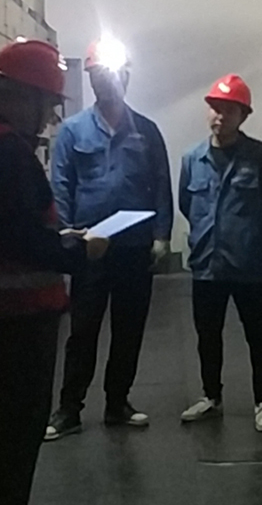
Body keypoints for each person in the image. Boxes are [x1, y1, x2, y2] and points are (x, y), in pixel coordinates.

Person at [0, 39, 109, 505]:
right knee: (21, 429)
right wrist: (81, 251)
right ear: (24, 96)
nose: (50, 118)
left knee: (7, 424)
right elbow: (22, 242)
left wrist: (61, 237)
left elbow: (9, 225)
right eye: (48, 104)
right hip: (19, 311)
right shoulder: (7, 152)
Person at [46, 37, 173, 439]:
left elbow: (161, 185)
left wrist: (162, 236)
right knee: (83, 331)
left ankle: (118, 402)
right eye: (100, 75)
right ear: (91, 79)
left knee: (129, 329)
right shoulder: (72, 131)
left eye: (114, 74)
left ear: (127, 77)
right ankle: (69, 409)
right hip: (91, 249)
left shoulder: (147, 131)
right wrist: (69, 237)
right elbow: (61, 186)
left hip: (135, 248)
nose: (108, 81)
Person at [178, 75, 262, 432]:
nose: (220, 116)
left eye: (228, 110)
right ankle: (211, 397)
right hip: (207, 264)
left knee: (258, 334)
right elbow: (186, 204)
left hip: (247, 264)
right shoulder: (193, 159)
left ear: (243, 116)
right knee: (207, 335)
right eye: (215, 108)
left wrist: (248, 232)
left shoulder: (260, 157)